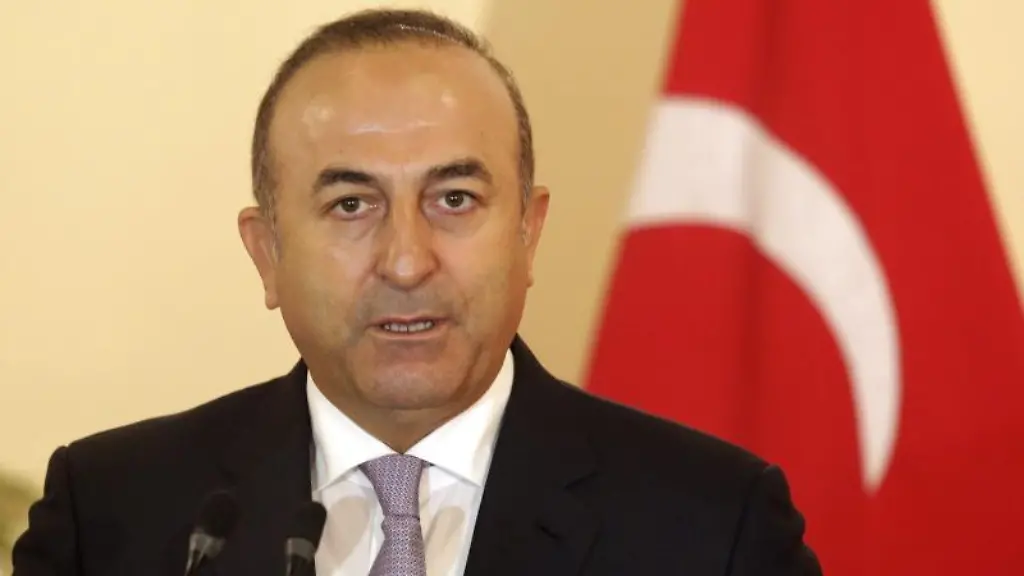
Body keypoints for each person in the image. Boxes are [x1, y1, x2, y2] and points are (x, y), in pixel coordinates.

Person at [12, 8, 822, 576]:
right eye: (351, 205)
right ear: (267, 254)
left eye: (455, 199)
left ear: (529, 232)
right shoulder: (115, 512)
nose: (406, 262)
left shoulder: (712, 525)